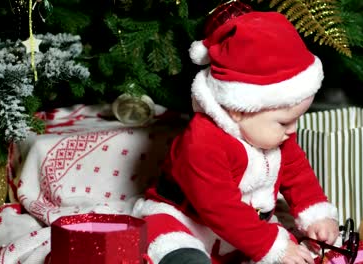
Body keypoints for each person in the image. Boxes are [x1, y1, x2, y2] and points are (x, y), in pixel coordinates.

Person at [132, 9, 339, 264]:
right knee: (174, 246)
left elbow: (297, 173)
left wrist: (316, 214)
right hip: (186, 219)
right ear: (238, 109)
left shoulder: (275, 134)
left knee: (295, 255)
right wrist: (269, 245)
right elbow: (218, 206)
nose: (292, 129)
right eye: (285, 121)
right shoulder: (202, 142)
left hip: (247, 228)